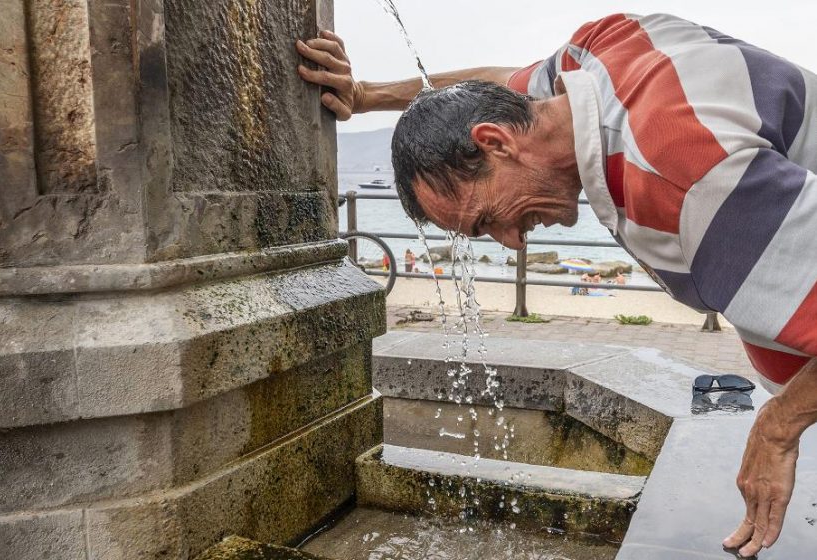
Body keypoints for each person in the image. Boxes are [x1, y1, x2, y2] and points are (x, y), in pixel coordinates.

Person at [296, 14, 817, 556]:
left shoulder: (683, 180)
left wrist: (779, 426)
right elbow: (494, 85)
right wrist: (366, 94)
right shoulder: (596, 57)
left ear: (494, 142)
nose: (512, 242)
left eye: (487, 220)